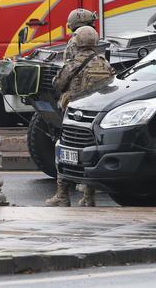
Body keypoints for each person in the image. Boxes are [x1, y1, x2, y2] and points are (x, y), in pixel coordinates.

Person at [47, 26, 115, 207]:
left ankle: (62, 195)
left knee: (64, 151)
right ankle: (88, 196)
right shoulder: (104, 63)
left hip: (74, 115)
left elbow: (58, 84)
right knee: (87, 154)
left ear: (77, 41)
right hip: (94, 117)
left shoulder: (73, 63)